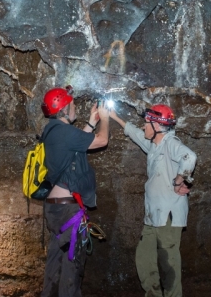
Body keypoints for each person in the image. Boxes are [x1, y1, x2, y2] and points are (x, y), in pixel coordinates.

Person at [109, 104, 197, 297]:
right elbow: (136, 134)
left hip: (168, 215)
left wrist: (178, 181)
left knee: (168, 264)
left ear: (157, 126)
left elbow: (189, 157)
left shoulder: (170, 143)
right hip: (153, 215)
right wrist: (115, 117)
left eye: (146, 123)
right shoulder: (154, 145)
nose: (143, 127)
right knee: (144, 257)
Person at [40, 86, 110, 297]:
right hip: (68, 211)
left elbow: (76, 146)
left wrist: (91, 122)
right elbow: (102, 140)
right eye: (72, 102)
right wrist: (105, 119)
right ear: (64, 108)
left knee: (56, 261)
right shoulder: (63, 132)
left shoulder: (53, 130)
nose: (75, 105)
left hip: (56, 208)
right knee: (72, 265)